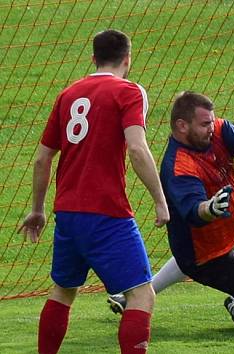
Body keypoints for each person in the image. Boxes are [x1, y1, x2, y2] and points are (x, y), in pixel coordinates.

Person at [19, 29, 169, 354]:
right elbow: (137, 149)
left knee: (63, 291)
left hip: (68, 215)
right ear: (128, 60)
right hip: (107, 213)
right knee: (142, 294)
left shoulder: (68, 94)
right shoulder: (128, 92)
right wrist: (160, 200)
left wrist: (38, 209)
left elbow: (43, 158)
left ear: (93, 58)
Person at [107, 91, 234, 328]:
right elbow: (195, 210)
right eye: (204, 124)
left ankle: (131, 295)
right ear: (182, 126)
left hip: (206, 245)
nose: (211, 127)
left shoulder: (214, 132)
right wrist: (211, 209)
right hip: (208, 258)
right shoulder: (179, 166)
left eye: (211, 121)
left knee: (184, 258)